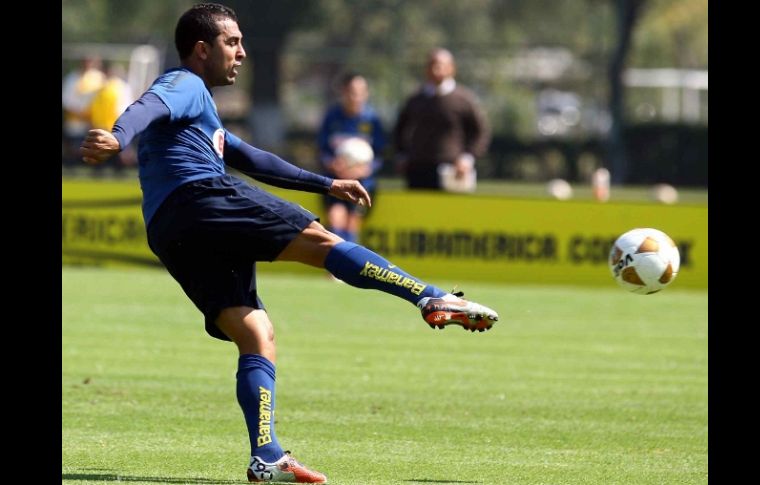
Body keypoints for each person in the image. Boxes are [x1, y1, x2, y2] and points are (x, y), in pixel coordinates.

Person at [81, 4, 498, 484]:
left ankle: (267, 456)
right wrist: (116, 137)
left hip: (170, 230)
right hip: (201, 199)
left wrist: (327, 183)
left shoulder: (201, 112)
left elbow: (252, 158)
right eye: (232, 42)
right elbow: (147, 104)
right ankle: (426, 295)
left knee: (257, 335)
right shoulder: (186, 83)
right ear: (202, 49)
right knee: (323, 241)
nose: (241, 52)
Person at [393, 48, 491, 190]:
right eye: (432, 64)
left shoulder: (463, 99)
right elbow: (400, 128)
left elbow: (480, 131)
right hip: (418, 169)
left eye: (441, 65)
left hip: (452, 170)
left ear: (452, 68)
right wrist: (401, 155)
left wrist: (467, 158)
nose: (436, 69)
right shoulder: (416, 99)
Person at [317, 73, 385, 244]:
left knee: (352, 223)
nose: (354, 96)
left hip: (363, 183)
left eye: (358, 91)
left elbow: (381, 155)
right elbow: (322, 150)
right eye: (350, 91)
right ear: (343, 92)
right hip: (336, 182)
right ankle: (333, 267)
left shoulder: (372, 120)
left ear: (366, 93)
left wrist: (365, 169)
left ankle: (346, 266)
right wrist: (332, 164)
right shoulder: (332, 117)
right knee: (335, 219)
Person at [62, 56, 106, 166]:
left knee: (95, 145)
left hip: (95, 120)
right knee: (74, 146)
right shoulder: (72, 78)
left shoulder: (99, 77)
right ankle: (71, 168)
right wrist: (79, 113)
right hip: (76, 119)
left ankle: (96, 169)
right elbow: (66, 100)